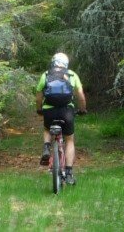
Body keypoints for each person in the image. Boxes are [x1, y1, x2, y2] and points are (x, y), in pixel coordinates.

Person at [35, 52, 87, 185]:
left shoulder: (46, 75)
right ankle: (69, 172)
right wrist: (82, 109)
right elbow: (80, 95)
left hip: (49, 110)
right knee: (69, 140)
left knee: (47, 129)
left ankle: (46, 147)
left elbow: (39, 95)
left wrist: (39, 109)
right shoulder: (72, 75)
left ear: (53, 62)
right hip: (66, 111)